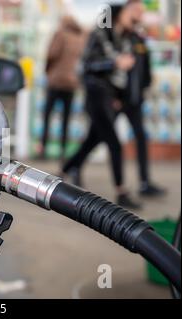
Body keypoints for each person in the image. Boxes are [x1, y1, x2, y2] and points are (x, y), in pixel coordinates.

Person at [62, 0, 166, 198]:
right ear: (120, 12)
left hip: (121, 97)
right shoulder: (102, 34)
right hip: (101, 96)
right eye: (134, 12)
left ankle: (66, 171)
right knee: (107, 142)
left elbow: (138, 70)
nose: (137, 17)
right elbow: (89, 66)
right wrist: (114, 63)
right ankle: (120, 190)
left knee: (98, 140)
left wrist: (133, 89)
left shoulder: (130, 37)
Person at [38, 15, 85, 160]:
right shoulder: (80, 38)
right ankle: (63, 150)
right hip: (71, 83)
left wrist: (47, 71)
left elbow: (52, 54)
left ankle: (43, 148)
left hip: (56, 81)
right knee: (66, 117)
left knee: (48, 115)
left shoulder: (60, 34)